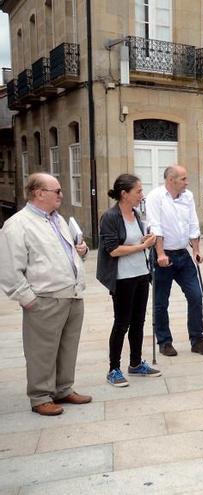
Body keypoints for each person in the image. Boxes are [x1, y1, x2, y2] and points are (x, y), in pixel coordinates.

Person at [0, 173, 92, 416]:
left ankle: (63, 388)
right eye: (57, 191)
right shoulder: (17, 224)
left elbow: (61, 253)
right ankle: (40, 396)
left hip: (71, 295)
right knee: (41, 351)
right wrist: (28, 299)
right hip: (44, 299)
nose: (62, 195)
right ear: (39, 193)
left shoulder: (57, 219)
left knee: (67, 347)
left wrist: (79, 252)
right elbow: (9, 269)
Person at [97, 174, 162, 387]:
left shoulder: (136, 214)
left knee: (138, 322)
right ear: (124, 194)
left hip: (141, 274)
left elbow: (137, 241)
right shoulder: (110, 217)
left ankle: (135, 363)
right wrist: (142, 246)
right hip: (122, 278)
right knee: (121, 323)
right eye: (139, 191)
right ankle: (113, 369)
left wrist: (148, 240)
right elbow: (113, 250)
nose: (142, 195)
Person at [144, 165, 203, 357]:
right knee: (161, 301)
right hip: (163, 255)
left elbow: (193, 224)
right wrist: (160, 254)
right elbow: (155, 226)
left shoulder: (188, 196)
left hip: (183, 255)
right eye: (183, 179)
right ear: (171, 180)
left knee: (195, 295)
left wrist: (197, 250)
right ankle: (164, 342)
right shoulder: (155, 197)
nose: (187, 182)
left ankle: (197, 339)